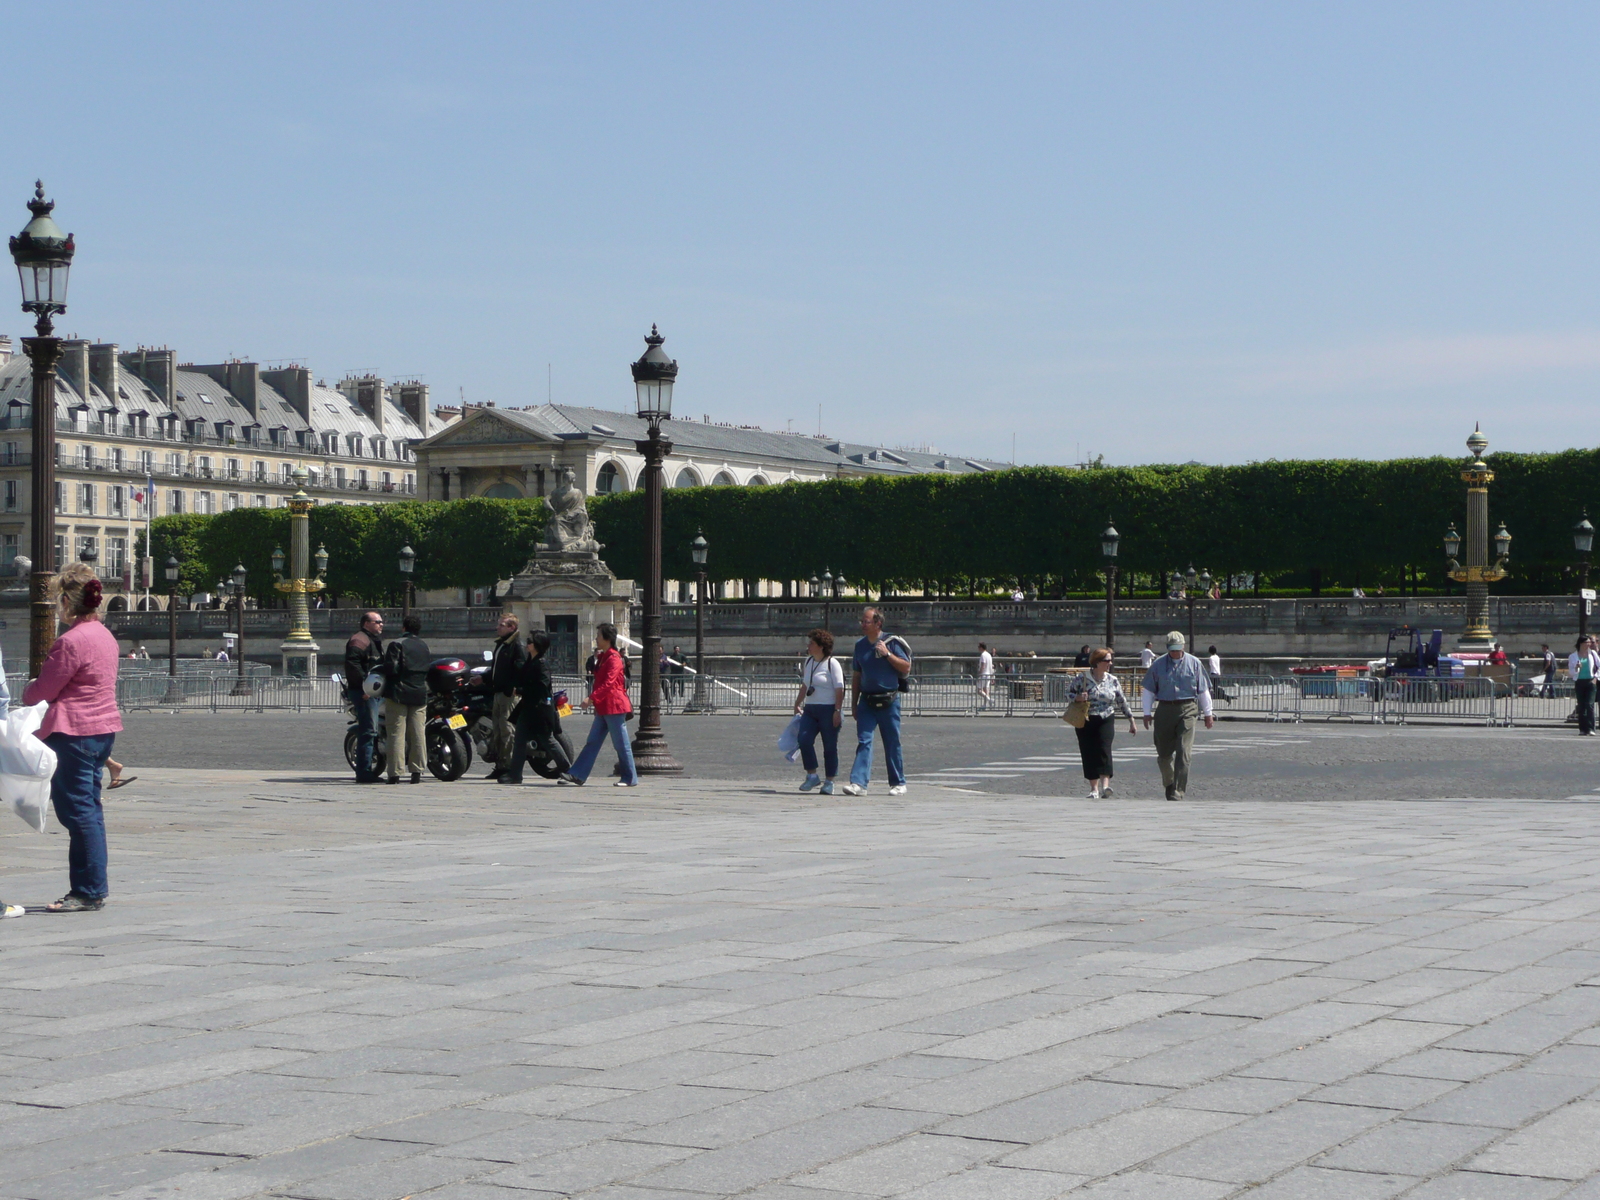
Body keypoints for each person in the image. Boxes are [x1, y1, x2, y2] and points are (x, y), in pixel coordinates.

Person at [23, 564, 121, 912]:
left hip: (73, 732)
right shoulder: (104, 636)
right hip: (102, 730)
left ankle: (87, 891)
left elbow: (43, 690)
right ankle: (92, 886)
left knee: (78, 814)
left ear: (66, 601)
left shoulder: (71, 641)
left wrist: (26, 691)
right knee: (90, 811)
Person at [842, 607, 912, 797]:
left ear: (878, 623)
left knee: (892, 741)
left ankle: (898, 782)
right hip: (867, 700)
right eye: (862, 621)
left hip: (889, 699)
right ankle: (858, 783)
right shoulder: (860, 646)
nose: (863, 625)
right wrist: (854, 703)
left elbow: (906, 666)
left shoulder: (892, 642)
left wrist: (887, 654)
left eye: (867, 622)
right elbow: (857, 675)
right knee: (864, 740)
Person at [1140, 630, 1214, 801]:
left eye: (1177, 649)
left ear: (1183, 647)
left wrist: (1208, 714)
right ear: (1167, 648)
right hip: (1165, 709)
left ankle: (1178, 790)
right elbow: (1149, 691)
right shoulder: (1158, 665)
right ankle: (1169, 782)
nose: (1175, 652)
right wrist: (1146, 713)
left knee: (1183, 751)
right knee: (1164, 754)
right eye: (1172, 649)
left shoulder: (1194, 663)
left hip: (1188, 708)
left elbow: (1203, 690)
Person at [566, 622, 638, 787]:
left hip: (614, 705)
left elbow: (608, 683)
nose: (596, 638)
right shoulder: (604, 656)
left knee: (621, 744)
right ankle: (577, 774)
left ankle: (629, 777)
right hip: (604, 706)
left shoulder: (613, 658)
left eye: (599, 636)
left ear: (607, 638)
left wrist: (591, 698)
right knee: (593, 741)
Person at [499, 630, 573, 785]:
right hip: (527, 708)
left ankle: (568, 770)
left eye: (530, 641)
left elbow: (541, 687)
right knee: (519, 741)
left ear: (537, 645)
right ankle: (515, 775)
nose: (527, 644)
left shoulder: (541, 663)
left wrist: (520, 690)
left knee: (547, 740)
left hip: (539, 709)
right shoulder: (529, 661)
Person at [1067, 647, 1136, 799]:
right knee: (1088, 751)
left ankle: (1105, 786)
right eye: (1107, 661)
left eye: (1111, 660)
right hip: (1086, 718)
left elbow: (1121, 700)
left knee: (1104, 749)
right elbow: (1068, 692)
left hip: (1106, 717)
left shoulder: (1112, 680)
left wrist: (1131, 719)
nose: (1110, 663)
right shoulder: (1082, 678)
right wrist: (1077, 697)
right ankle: (1094, 788)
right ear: (1097, 662)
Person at [793, 629, 844, 794]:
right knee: (804, 739)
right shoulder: (809, 662)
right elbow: (805, 685)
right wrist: (797, 702)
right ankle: (812, 775)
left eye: (812, 643)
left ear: (821, 646)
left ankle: (829, 781)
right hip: (810, 709)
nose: (808, 646)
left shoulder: (832, 664)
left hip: (828, 709)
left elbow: (840, 688)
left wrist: (837, 710)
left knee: (829, 746)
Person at [382, 614, 430, 783]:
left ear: (404, 628)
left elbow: (392, 668)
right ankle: (417, 771)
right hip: (419, 692)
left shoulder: (397, 644)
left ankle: (395, 772)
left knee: (396, 733)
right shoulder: (424, 645)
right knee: (418, 733)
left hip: (399, 692)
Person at [343, 611, 386, 783]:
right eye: (377, 622)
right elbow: (352, 665)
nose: (381, 624)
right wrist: (365, 688)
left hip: (374, 691)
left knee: (371, 730)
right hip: (366, 693)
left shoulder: (372, 640)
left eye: (381, 621)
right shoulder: (359, 640)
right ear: (366, 623)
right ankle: (364, 772)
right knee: (368, 731)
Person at [484, 613, 525, 780]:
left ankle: (509, 766)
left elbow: (519, 669)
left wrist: (513, 688)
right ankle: (500, 765)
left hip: (508, 694)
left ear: (512, 628)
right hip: (498, 692)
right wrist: (484, 678)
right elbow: (496, 669)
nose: (497, 627)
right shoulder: (502, 644)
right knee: (498, 730)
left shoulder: (517, 645)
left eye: (501, 625)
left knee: (508, 731)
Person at [1570, 636, 1599, 736]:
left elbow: (1599, 666)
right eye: (1587, 642)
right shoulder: (1573, 656)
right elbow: (1571, 672)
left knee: (1589, 705)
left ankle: (1591, 728)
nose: (1589, 644)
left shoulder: (1593, 654)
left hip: (1590, 681)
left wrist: (1596, 678)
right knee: (1581, 705)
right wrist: (1576, 668)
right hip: (1579, 681)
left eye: (1590, 642)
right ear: (1581, 644)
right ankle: (1582, 729)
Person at [976, 642, 994, 710]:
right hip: (988, 674)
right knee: (986, 690)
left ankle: (989, 700)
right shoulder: (989, 655)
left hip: (983, 674)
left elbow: (983, 665)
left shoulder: (983, 655)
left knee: (979, 690)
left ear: (981, 647)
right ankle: (985, 705)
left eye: (979, 647)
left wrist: (979, 673)